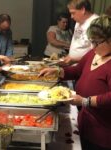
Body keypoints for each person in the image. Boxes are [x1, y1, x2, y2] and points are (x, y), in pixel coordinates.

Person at [39, 15, 111, 150]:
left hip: (103, 133)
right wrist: (58, 71)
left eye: (97, 42)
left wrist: (85, 101)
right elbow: (77, 70)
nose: (92, 45)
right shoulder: (93, 54)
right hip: (86, 123)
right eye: (91, 41)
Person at [62, 0, 98, 65]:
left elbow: (96, 53)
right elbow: (77, 41)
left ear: (83, 10)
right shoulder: (79, 21)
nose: (71, 17)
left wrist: (74, 59)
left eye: (73, 13)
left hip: (85, 66)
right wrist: (70, 55)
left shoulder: (96, 24)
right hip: (73, 65)